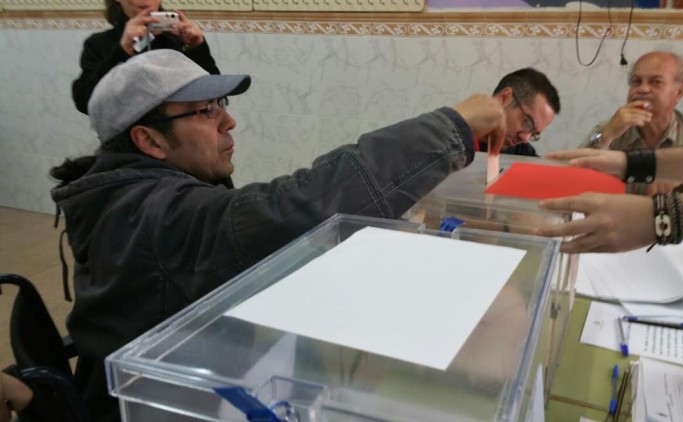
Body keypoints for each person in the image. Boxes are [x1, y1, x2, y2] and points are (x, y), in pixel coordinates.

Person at [50, 49, 507, 421]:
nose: (228, 122)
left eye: (222, 105)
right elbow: (291, 209)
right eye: (206, 111)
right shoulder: (151, 215)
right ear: (149, 141)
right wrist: (453, 125)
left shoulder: (134, 193)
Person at [535, 133, 683, 254]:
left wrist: (658, 217)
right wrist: (632, 163)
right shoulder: (619, 129)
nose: (643, 90)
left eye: (656, 82)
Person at [582, 51, 683, 194]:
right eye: (636, 82)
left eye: (656, 82)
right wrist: (605, 135)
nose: (643, 89)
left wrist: (682, 175)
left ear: (679, 92)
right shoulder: (610, 127)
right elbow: (577, 168)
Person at [71, 0, 219, 114]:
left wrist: (196, 48)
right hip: (127, 137)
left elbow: (216, 93)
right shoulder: (99, 43)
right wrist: (122, 51)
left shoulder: (180, 38)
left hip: (181, 134)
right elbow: (85, 102)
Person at [474, 67, 560, 156]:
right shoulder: (464, 136)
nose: (525, 139)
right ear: (504, 98)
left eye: (534, 134)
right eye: (528, 123)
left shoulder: (521, 151)